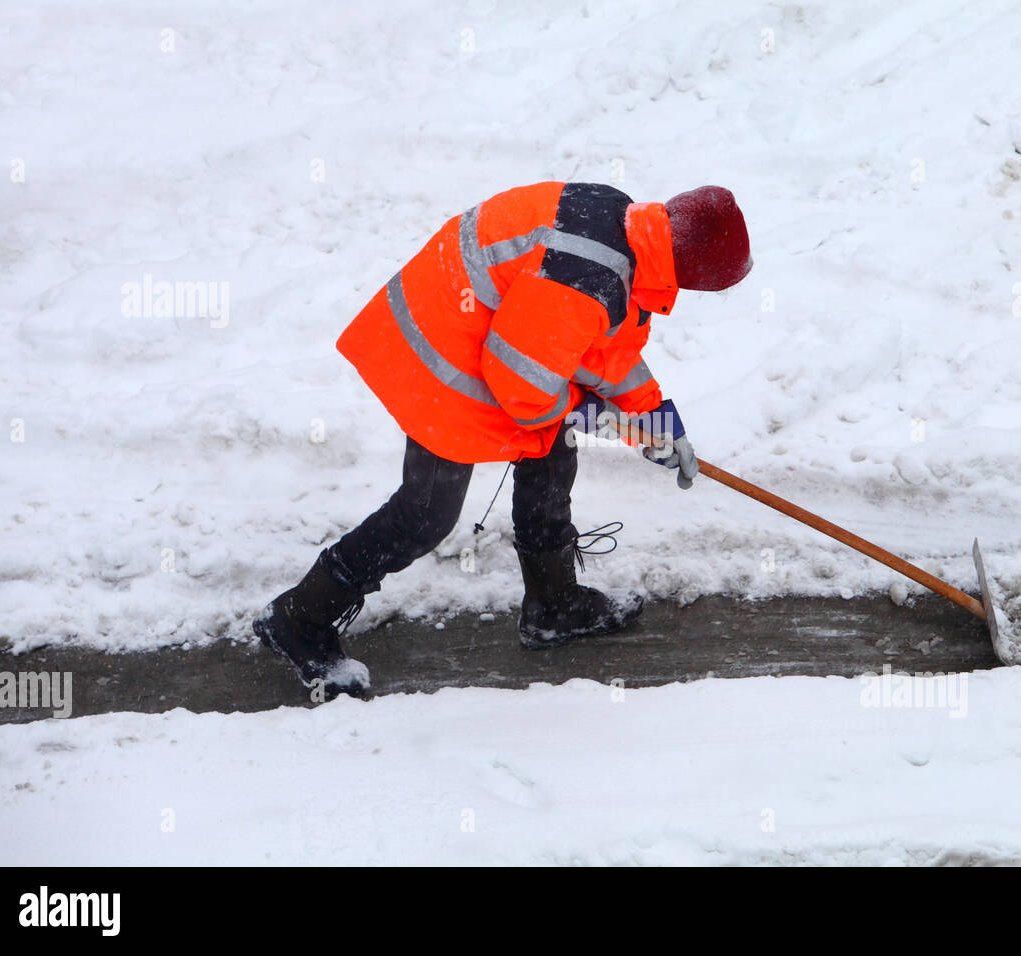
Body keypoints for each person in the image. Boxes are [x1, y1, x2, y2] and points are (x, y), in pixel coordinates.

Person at [255, 181, 752, 698]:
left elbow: (596, 348)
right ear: (693, 272)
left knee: (551, 451)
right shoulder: (593, 278)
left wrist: (655, 421)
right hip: (443, 356)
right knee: (426, 513)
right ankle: (299, 619)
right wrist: (601, 418)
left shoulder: (627, 231)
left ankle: (552, 607)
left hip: (478, 325)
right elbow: (525, 388)